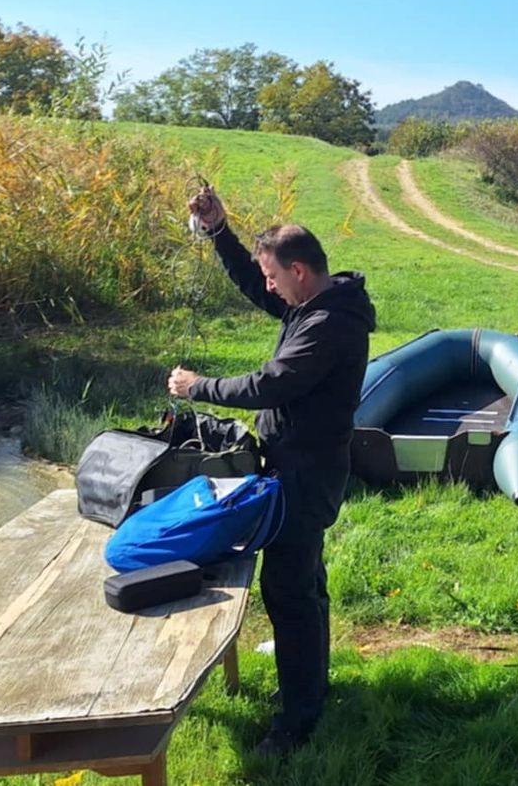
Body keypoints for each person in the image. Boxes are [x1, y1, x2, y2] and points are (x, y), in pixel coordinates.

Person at [167, 185, 376, 755]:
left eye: (274, 276)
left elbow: (272, 383)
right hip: (300, 464)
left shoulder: (330, 325)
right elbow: (251, 287)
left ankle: (297, 723)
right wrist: (218, 233)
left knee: (289, 592)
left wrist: (197, 387)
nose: (268, 286)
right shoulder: (316, 303)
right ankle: (311, 690)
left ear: (301, 271)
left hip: (307, 474)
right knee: (304, 584)